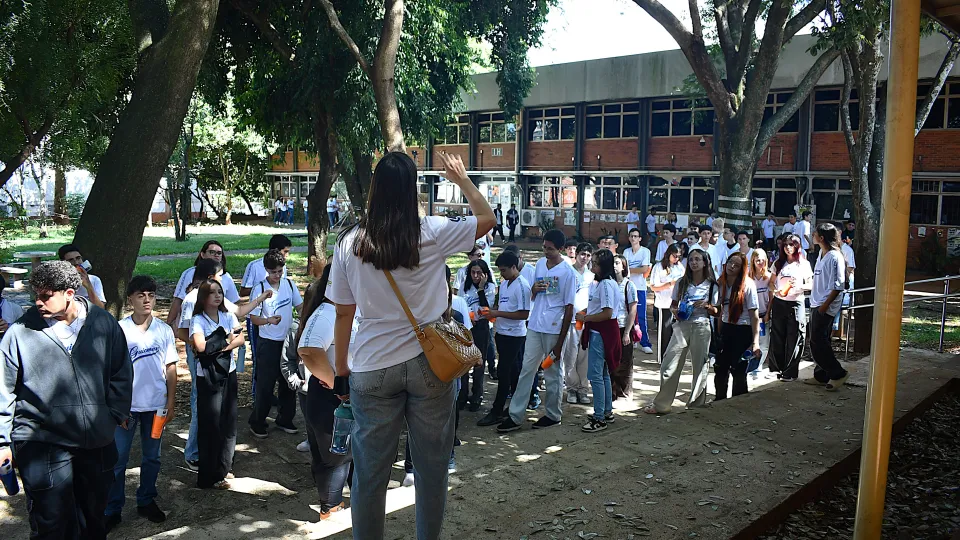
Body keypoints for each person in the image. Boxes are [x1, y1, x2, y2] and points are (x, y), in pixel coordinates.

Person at [327, 151, 495, 539]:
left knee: (369, 474)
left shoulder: (349, 242)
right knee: (431, 469)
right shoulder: (433, 231)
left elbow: (342, 314)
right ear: (412, 189)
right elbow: (486, 220)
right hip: (432, 365)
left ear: (374, 189)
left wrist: (340, 372)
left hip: (371, 366)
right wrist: (463, 180)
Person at [0, 261, 132, 539]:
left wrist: (114, 414)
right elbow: (3, 390)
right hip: (41, 442)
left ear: (70, 293)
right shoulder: (19, 333)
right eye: (35, 294)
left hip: (95, 441)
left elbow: (121, 370)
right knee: (52, 524)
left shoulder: (103, 323)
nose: (37, 301)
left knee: (93, 519)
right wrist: (2, 442)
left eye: (46, 295)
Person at [178, 259, 270, 470]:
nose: (222, 283)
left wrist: (260, 299)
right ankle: (194, 452)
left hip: (223, 363)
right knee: (201, 403)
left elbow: (237, 318)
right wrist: (203, 346)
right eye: (220, 276)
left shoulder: (218, 300)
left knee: (225, 410)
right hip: (202, 362)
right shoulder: (193, 300)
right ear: (211, 277)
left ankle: (219, 457)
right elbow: (185, 332)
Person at [105, 276, 179, 531]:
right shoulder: (120, 330)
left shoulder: (164, 330)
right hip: (127, 409)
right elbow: (111, 371)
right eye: (140, 295)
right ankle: (112, 508)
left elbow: (170, 368)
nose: (147, 300)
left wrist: (170, 402)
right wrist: (117, 406)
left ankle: (146, 499)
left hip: (156, 408)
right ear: (130, 300)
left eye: (151, 295)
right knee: (117, 460)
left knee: (152, 458)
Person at [497, 229, 576, 433]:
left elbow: (569, 308)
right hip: (534, 325)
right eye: (544, 247)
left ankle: (552, 414)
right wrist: (534, 290)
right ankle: (515, 415)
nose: (546, 251)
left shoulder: (568, 273)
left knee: (552, 372)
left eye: (550, 249)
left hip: (554, 328)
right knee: (526, 369)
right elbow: (533, 291)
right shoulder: (540, 264)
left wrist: (560, 342)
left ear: (560, 249)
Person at [296, 267, 353, 521]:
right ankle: (330, 507)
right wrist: (335, 382)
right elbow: (308, 350)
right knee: (336, 458)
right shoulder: (328, 312)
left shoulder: (335, 310)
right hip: (331, 398)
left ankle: (330, 504)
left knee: (330, 456)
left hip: (328, 395)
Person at [644, 249, 718, 414]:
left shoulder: (712, 284)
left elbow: (717, 310)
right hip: (682, 325)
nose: (694, 263)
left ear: (705, 262)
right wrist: (675, 311)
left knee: (700, 367)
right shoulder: (681, 282)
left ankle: (696, 405)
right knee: (669, 364)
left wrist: (706, 306)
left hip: (701, 326)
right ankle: (662, 405)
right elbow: (673, 304)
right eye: (691, 260)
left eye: (698, 259)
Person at [190, 279, 244, 489]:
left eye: (220, 292)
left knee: (229, 422)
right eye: (212, 293)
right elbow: (201, 346)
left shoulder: (228, 315)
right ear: (203, 297)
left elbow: (240, 339)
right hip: (208, 378)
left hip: (227, 373)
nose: (217, 296)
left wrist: (221, 346)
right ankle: (208, 475)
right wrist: (226, 341)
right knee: (210, 425)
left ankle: (224, 468)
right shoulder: (198, 319)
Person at [248, 249, 303, 438]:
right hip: (268, 342)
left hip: (288, 342)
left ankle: (285, 418)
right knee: (265, 384)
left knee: (289, 381)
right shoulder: (260, 288)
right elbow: (253, 318)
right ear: (266, 270)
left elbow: (300, 306)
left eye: (280, 271)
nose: (277, 275)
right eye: (273, 272)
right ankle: (258, 420)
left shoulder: (289, 284)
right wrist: (268, 321)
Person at [477, 251, 531, 427]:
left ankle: (497, 409)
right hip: (502, 332)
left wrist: (496, 313)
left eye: (504, 270)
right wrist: (492, 313)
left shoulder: (522, 285)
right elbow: (503, 305)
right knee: (512, 371)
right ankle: (514, 406)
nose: (501, 273)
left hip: (514, 335)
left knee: (504, 371)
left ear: (514, 267)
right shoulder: (506, 282)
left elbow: (524, 314)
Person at [240, 234, 293, 393]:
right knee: (260, 358)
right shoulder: (254, 266)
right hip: (258, 315)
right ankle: (259, 396)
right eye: (285, 251)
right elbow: (243, 290)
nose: (287, 255)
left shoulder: (283, 269)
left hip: (279, 322)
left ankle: (274, 394)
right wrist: (262, 288)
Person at [577, 249, 622, 432]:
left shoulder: (605, 285)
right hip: (601, 330)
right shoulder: (605, 283)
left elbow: (607, 313)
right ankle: (605, 410)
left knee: (595, 375)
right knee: (602, 373)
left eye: (595, 263)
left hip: (601, 332)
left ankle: (599, 417)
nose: (591, 265)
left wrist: (586, 319)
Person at [806, 223, 849, 390]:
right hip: (816, 302)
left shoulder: (834, 256)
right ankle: (821, 374)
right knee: (818, 341)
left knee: (818, 342)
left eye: (815, 233)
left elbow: (838, 286)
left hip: (825, 305)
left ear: (821, 237)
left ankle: (837, 373)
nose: (812, 235)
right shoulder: (821, 254)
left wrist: (825, 306)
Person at [714, 253, 761, 400]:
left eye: (736, 264)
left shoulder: (748, 284)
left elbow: (754, 316)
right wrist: (719, 332)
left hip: (743, 329)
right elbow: (720, 310)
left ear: (742, 268)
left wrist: (755, 342)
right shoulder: (720, 282)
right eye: (730, 262)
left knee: (739, 369)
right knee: (721, 368)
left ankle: (738, 401)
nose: (731, 266)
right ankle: (719, 398)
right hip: (726, 328)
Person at [768, 234, 813, 381]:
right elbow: (771, 282)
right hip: (780, 302)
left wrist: (799, 287)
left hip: (796, 302)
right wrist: (775, 291)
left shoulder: (804, 264)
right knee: (777, 335)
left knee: (795, 336)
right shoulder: (778, 263)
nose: (788, 247)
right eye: (786, 244)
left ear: (797, 246)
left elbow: (811, 284)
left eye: (792, 244)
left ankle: (790, 372)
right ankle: (777, 368)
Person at [168, 241, 242, 331]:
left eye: (219, 253)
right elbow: (178, 299)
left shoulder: (226, 276)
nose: (216, 255)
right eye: (212, 252)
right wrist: (169, 326)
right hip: (195, 330)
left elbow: (234, 303)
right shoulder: (189, 274)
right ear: (202, 254)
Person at [457, 260, 496, 411]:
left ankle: (477, 395)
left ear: (485, 274)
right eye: (473, 272)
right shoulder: (464, 287)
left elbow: (486, 309)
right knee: (464, 362)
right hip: (466, 328)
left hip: (481, 327)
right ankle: (463, 394)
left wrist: (480, 289)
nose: (475, 275)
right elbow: (460, 306)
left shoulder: (490, 287)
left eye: (479, 273)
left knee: (479, 362)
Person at [562, 242, 594, 405]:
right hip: (572, 321)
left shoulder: (591, 276)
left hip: (586, 321)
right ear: (577, 254)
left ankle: (583, 389)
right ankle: (571, 388)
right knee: (570, 356)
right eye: (582, 254)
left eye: (588, 255)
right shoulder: (568, 273)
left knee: (584, 356)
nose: (585, 258)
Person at [649, 244, 684, 360]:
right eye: (674, 256)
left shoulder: (680, 267)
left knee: (677, 332)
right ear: (668, 254)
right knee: (665, 331)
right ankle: (662, 358)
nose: (676, 259)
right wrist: (669, 284)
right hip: (663, 304)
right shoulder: (658, 267)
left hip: (677, 304)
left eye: (679, 256)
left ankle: (674, 358)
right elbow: (653, 287)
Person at [623, 228, 655, 354]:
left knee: (641, 316)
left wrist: (630, 270)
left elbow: (644, 269)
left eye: (636, 236)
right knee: (628, 315)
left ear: (640, 238)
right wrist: (635, 269)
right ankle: (633, 339)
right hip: (627, 286)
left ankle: (644, 342)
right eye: (631, 236)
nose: (633, 238)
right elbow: (624, 269)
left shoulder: (645, 251)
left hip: (640, 287)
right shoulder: (626, 252)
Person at [611, 254, 638, 401]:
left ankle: (624, 394)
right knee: (611, 362)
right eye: (613, 263)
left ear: (623, 266)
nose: (615, 266)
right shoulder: (607, 283)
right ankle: (612, 392)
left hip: (623, 327)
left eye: (617, 263)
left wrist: (627, 332)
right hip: (610, 327)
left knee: (625, 362)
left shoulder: (629, 285)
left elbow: (632, 310)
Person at [748, 249, 774, 376]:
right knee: (750, 340)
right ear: (753, 260)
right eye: (757, 260)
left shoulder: (768, 277)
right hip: (750, 315)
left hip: (764, 314)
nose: (760, 263)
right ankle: (748, 365)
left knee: (764, 342)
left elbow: (771, 297)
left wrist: (768, 313)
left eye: (763, 260)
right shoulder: (748, 277)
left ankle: (758, 367)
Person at [57, 243, 106, 309]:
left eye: (78, 258)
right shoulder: (58, 281)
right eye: (71, 260)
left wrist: (88, 286)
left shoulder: (94, 280)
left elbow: (100, 308)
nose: (76, 263)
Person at [835, 234, 857, 335]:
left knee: (842, 306)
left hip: (845, 280)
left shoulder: (847, 250)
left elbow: (851, 268)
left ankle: (837, 331)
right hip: (836, 281)